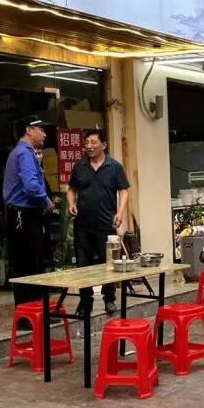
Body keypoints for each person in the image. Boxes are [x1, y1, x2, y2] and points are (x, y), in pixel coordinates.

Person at [67, 129, 130, 315]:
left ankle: (109, 298)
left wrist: (120, 213)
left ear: (104, 145)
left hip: (106, 224)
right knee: (82, 265)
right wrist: (71, 203)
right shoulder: (79, 167)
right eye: (87, 143)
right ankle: (85, 301)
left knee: (108, 263)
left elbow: (124, 191)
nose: (89, 146)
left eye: (93, 142)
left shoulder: (114, 167)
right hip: (82, 225)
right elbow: (71, 189)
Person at [3, 116, 54, 307]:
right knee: (28, 265)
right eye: (41, 129)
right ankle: (30, 311)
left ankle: (35, 311)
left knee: (31, 263)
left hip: (24, 214)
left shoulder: (24, 152)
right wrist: (46, 201)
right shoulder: (24, 153)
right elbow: (31, 186)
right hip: (23, 215)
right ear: (29, 130)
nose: (45, 134)